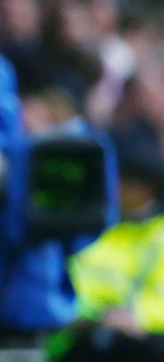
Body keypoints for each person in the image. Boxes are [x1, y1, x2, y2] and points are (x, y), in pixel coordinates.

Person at [46, 150, 164, 362]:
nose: (115, 187)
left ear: (146, 191)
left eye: (124, 183)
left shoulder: (158, 234)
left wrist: (139, 318)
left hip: (134, 341)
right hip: (73, 333)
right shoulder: (95, 220)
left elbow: (159, 297)